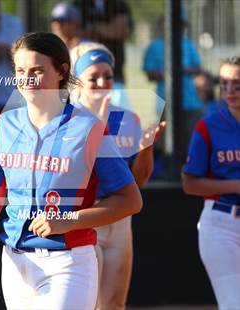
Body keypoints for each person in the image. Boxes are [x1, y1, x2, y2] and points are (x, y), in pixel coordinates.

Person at [0, 32, 142, 309]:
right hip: (15, 262)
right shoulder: (6, 124)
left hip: (68, 262)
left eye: (37, 70)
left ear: (62, 71)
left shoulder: (89, 127)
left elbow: (131, 200)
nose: (27, 79)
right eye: (21, 71)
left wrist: (68, 220)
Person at [71, 42, 165, 310]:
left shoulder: (128, 120)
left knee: (114, 305)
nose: (103, 82)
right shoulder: (68, 120)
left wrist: (146, 148)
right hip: (86, 218)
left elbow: (138, 182)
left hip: (121, 222)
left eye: (108, 75)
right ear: (78, 81)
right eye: (93, 77)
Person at [182, 56, 240, 310]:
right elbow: (190, 184)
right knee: (233, 304)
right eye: (224, 83)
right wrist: (236, 186)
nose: (229, 91)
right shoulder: (209, 125)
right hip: (222, 224)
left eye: (237, 84)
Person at [143, 14, 203, 157]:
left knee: (193, 138)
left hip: (190, 101)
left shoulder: (187, 43)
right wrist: (167, 73)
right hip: (166, 100)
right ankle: (169, 170)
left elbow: (198, 68)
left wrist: (180, 70)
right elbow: (150, 74)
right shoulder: (154, 46)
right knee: (167, 140)